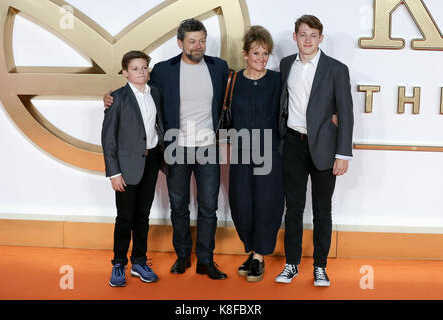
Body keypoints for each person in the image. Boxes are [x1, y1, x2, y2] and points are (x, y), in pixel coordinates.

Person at [104, 19, 229, 280]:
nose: (198, 46)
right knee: (179, 205)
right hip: (176, 149)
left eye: (202, 40)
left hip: (208, 148)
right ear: (180, 43)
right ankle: (182, 256)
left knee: (208, 207)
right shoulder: (163, 70)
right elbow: (138, 91)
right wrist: (110, 97)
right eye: (192, 41)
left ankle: (206, 260)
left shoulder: (220, 67)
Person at [275, 15, 354, 287]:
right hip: (293, 145)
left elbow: (345, 113)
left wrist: (343, 154)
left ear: (321, 38)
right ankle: (291, 264)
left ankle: (320, 266)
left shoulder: (336, 69)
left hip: (324, 148)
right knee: (293, 208)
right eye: (303, 34)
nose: (307, 40)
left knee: (322, 209)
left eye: (313, 35)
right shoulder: (286, 65)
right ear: (294, 36)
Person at [101, 51, 165, 287]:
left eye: (145, 67)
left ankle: (139, 261)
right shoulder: (117, 98)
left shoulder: (154, 93)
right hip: (126, 167)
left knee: (142, 216)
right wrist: (114, 173)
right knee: (125, 217)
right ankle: (118, 263)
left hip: (150, 162)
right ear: (125, 72)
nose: (141, 72)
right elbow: (108, 139)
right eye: (136, 68)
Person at [226, 26, 284, 282]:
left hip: (269, 151)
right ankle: (251, 250)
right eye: (256, 53)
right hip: (238, 151)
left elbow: (304, 102)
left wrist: (332, 115)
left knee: (267, 203)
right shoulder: (232, 80)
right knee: (241, 203)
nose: (261, 59)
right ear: (245, 54)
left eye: (265, 54)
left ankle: (260, 256)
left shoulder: (277, 81)